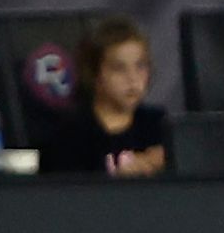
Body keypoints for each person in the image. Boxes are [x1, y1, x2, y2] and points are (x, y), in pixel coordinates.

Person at [32, 14, 172, 177]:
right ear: (94, 74)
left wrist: (165, 162)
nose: (132, 78)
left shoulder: (160, 125)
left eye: (140, 66)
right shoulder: (69, 135)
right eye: (119, 68)